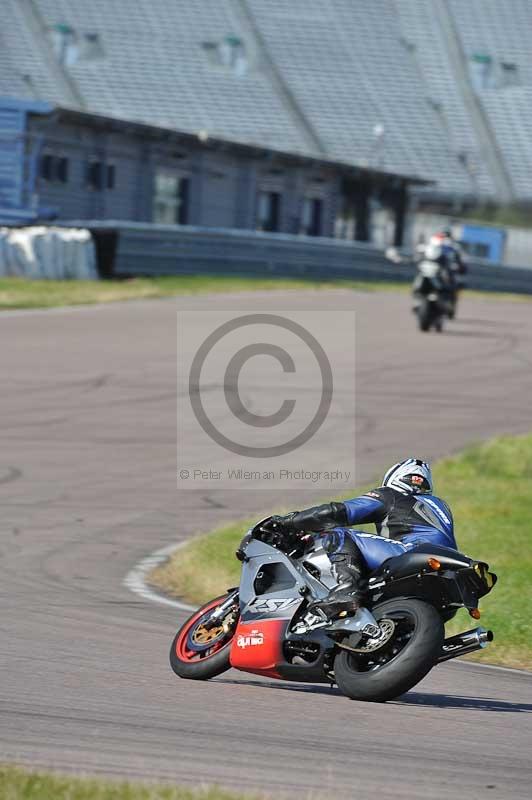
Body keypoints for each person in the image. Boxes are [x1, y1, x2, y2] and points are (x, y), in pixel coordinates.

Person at [263, 458, 457, 620]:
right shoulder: (439, 505)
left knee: (339, 533)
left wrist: (288, 522)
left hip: (412, 553)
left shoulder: (391, 495)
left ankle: (347, 590)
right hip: (447, 576)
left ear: (394, 478)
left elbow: (338, 512)